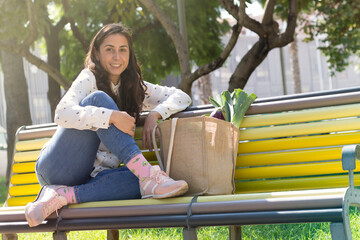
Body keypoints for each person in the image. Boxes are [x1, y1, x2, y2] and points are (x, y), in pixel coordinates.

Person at [25, 23, 191, 227]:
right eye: (109, 50)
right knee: (98, 99)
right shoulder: (89, 78)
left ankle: (63, 195)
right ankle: (148, 175)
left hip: (93, 177)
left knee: (134, 182)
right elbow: (62, 113)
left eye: (123, 50)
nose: (116, 57)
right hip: (60, 166)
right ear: (97, 53)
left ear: (129, 55)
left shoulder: (135, 88)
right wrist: (111, 116)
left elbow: (181, 97)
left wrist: (155, 113)